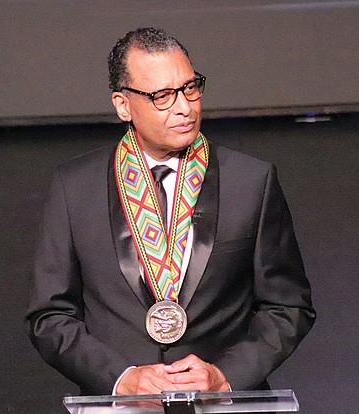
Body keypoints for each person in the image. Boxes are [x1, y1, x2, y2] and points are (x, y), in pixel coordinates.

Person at [25, 27, 315, 396]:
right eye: (162, 96)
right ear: (123, 105)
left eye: (190, 88)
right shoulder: (75, 187)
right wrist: (120, 377)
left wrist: (227, 375)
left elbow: (288, 306)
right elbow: (49, 316)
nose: (184, 107)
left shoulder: (251, 181)